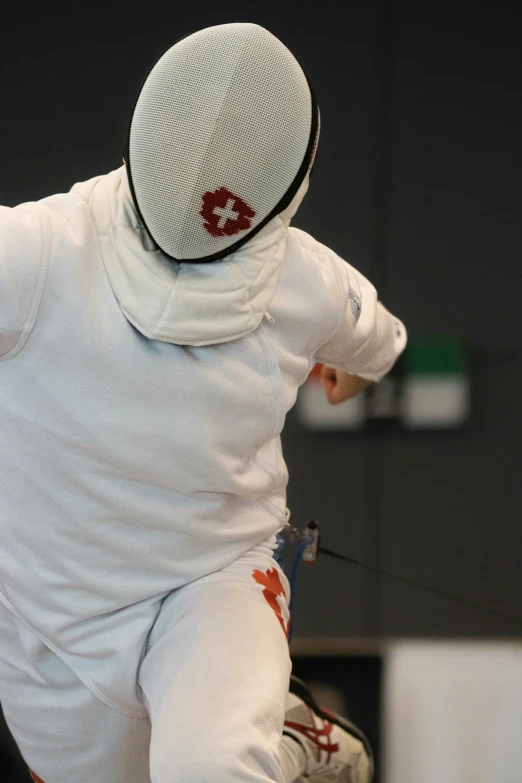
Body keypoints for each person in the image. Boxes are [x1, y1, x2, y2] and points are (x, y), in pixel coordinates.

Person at [0, 21, 406, 783]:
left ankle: (284, 745)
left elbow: (380, 342)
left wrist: (343, 362)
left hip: (215, 576)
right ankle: (287, 734)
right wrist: (348, 363)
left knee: (211, 767)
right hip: (52, 606)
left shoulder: (306, 280)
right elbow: (379, 345)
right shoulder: (35, 255)